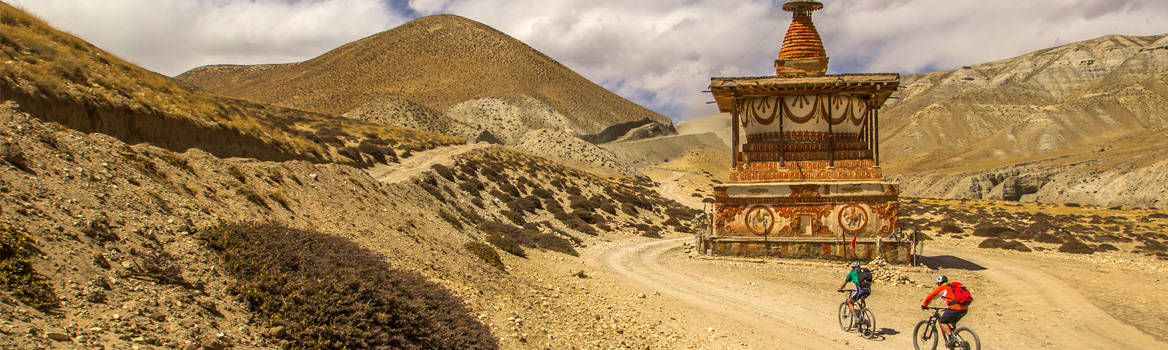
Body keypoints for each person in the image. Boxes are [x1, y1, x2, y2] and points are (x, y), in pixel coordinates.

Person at [922, 275, 968, 346]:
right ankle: (954, 341)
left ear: (940, 283)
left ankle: (952, 338)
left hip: (955, 308)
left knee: (942, 322)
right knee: (951, 323)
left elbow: (931, 296)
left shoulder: (943, 287)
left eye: (938, 284)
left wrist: (925, 305)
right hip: (964, 308)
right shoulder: (953, 288)